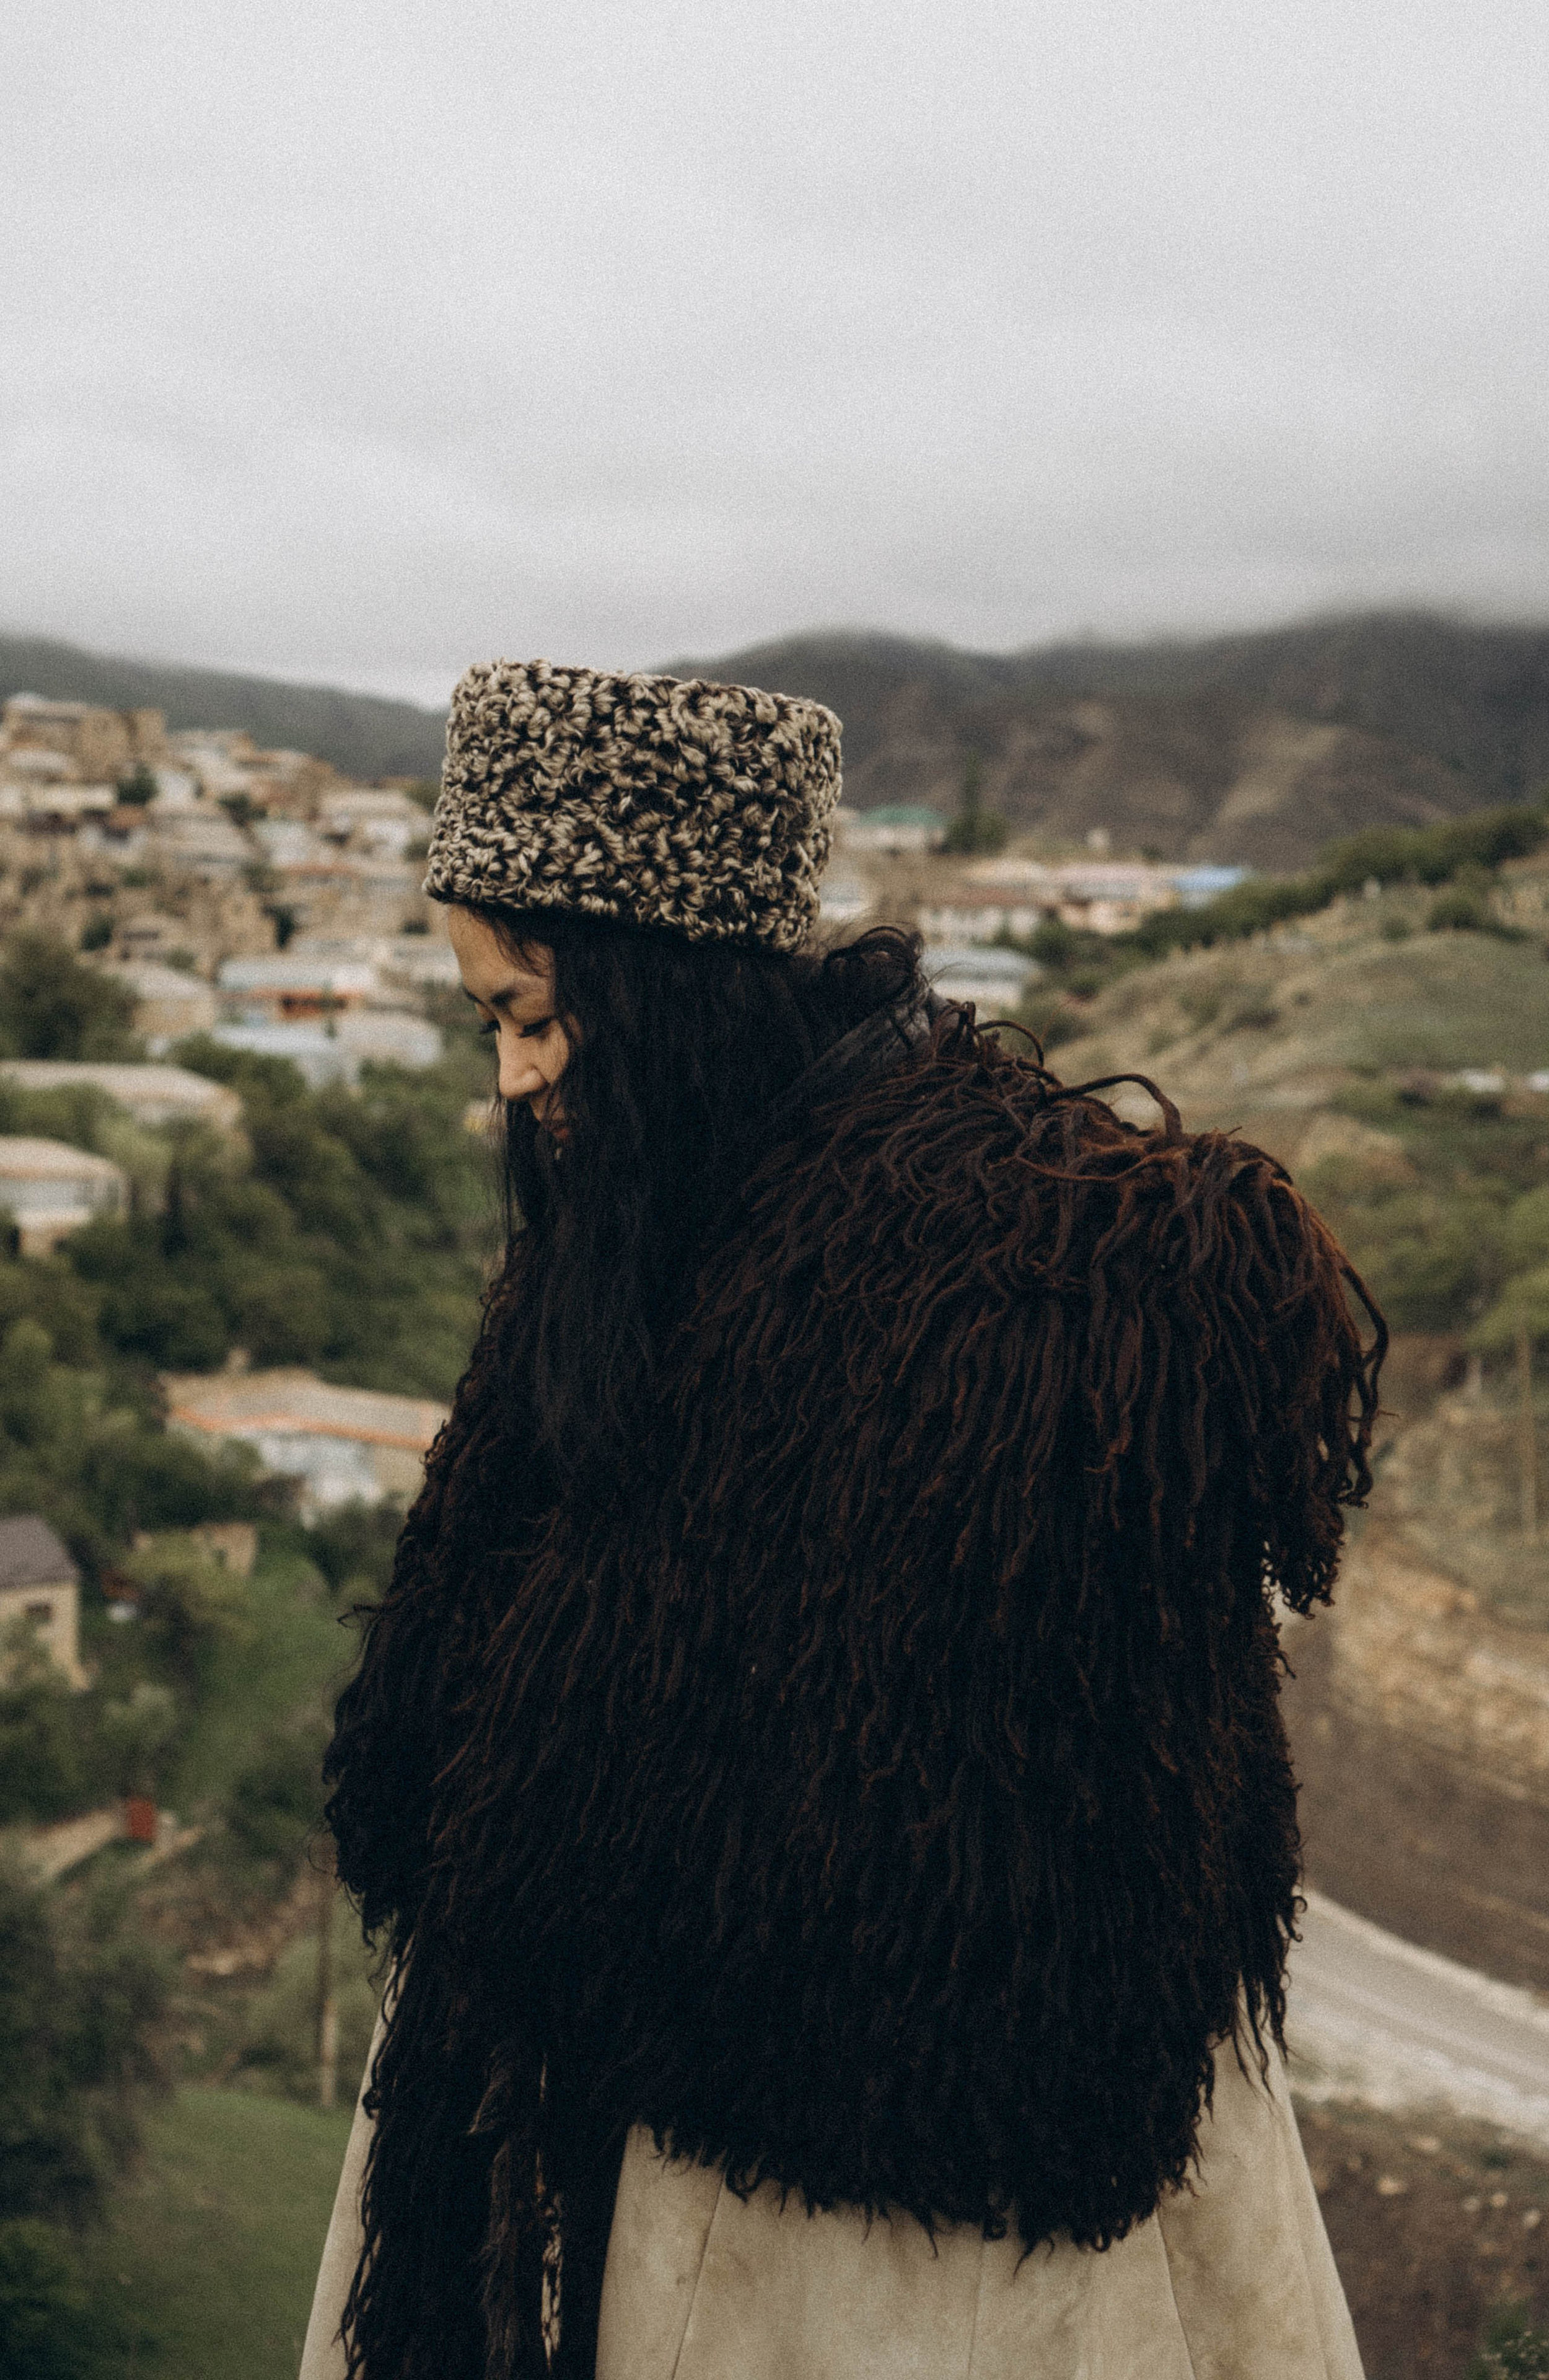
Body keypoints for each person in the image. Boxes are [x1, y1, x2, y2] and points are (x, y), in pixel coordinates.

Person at [304, 658, 1383, 2380]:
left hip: (880, 2266)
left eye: (531, 1015)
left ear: (661, 996)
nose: (510, 1082)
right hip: (620, 2163)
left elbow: (1010, 1882)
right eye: (485, 1022)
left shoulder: (1030, 1305)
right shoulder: (657, 1232)